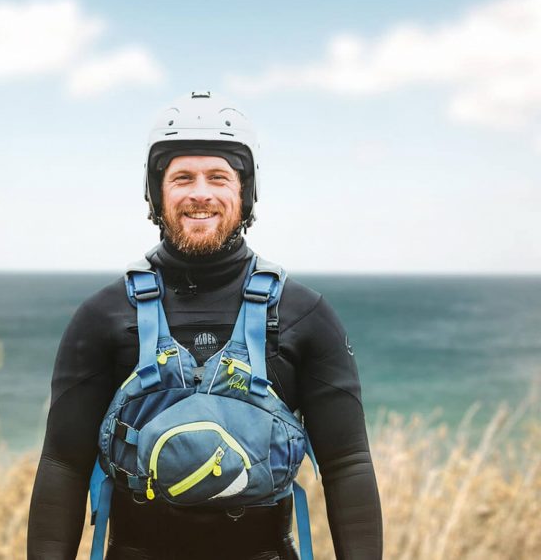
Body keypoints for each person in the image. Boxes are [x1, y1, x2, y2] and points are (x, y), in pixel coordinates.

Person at [27, 92, 383, 559]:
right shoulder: (102, 317)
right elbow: (62, 468)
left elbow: (347, 466)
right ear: (157, 193)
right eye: (182, 178)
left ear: (245, 191)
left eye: (218, 177)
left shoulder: (304, 315)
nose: (200, 193)